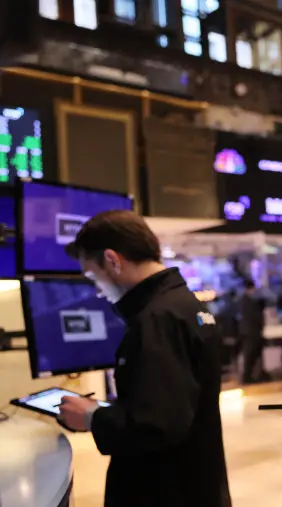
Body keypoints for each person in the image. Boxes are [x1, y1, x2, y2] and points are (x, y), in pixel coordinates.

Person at [58, 210, 231, 507]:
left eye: (92, 275)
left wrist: (92, 417)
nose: (97, 289)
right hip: (196, 481)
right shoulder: (184, 304)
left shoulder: (156, 319)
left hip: (164, 490)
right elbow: (171, 401)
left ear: (112, 260)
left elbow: (157, 425)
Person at [239, 279, 266, 383]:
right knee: (249, 355)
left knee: (253, 355)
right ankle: (247, 378)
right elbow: (254, 316)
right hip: (250, 332)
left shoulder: (247, 300)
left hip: (251, 332)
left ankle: (253, 376)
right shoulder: (247, 301)